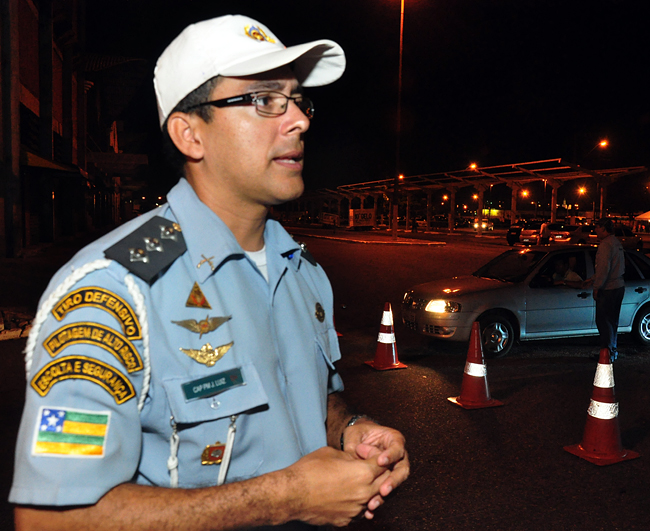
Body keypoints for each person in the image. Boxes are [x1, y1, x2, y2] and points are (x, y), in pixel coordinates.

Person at [10, 14, 409, 530]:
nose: (300, 121)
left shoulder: (303, 271)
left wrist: (352, 429)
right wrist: (286, 497)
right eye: (265, 100)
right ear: (189, 134)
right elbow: (49, 519)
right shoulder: (111, 289)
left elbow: (314, 395)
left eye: (298, 100)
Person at [584, 218, 625, 361]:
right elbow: (614, 267)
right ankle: (612, 352)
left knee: (603, 322)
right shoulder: (616, 243)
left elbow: (604, 269)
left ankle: (606, 354)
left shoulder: (605, 245)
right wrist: (593, 278)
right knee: (612, 322)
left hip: (608, 288)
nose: (595, 230)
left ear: (603, 228)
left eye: (597, 227)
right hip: (619, 286)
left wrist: (596, 287)